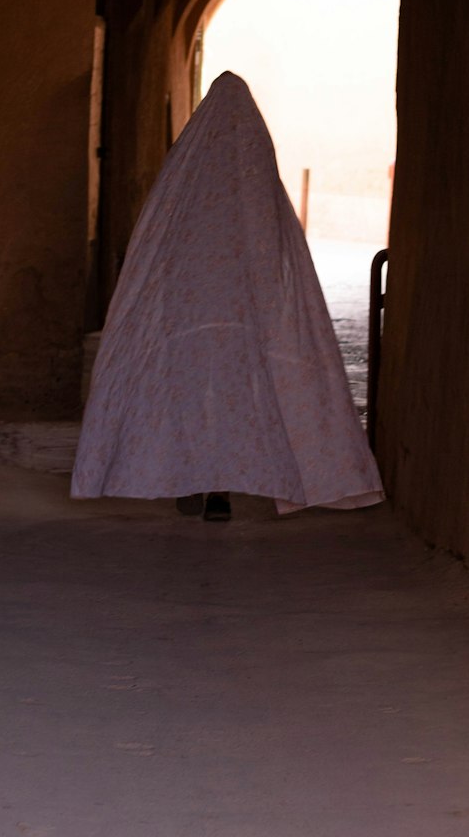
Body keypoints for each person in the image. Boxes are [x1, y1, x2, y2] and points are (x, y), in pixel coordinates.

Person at [71, 72, 384, 518]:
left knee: (191, 392)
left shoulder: (185, 166)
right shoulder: (253, 160)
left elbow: (160, 239)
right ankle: (216, 488)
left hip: (190, 313)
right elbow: (273, 241)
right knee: (236, 394)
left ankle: (196, 481)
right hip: (242, 313)